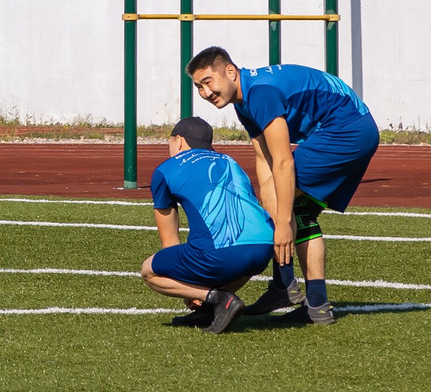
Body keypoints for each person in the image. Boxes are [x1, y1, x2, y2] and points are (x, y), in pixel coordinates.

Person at [188, 48, 376, 326]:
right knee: (296, 211)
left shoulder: (260, 93)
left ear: (230, 71)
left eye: (208, 81)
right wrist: (271, 203)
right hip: (351, 128)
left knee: (284, 208)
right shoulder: (243, 101)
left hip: (347, 129)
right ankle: (316, 305)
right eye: (198, 87)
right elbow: (264, 159)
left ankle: (283, 287)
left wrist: (282, 221)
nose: (205, 92)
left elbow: (284, 162)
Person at [142, 116, 277, 333]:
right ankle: (207, 311)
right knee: (238, 255)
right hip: (264, 249)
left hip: (220, 255)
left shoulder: (165, 169)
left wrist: (190, 291)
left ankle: (217, 299)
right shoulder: (230, 161)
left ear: (178, 141)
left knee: (149, 271)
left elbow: (170, 243)